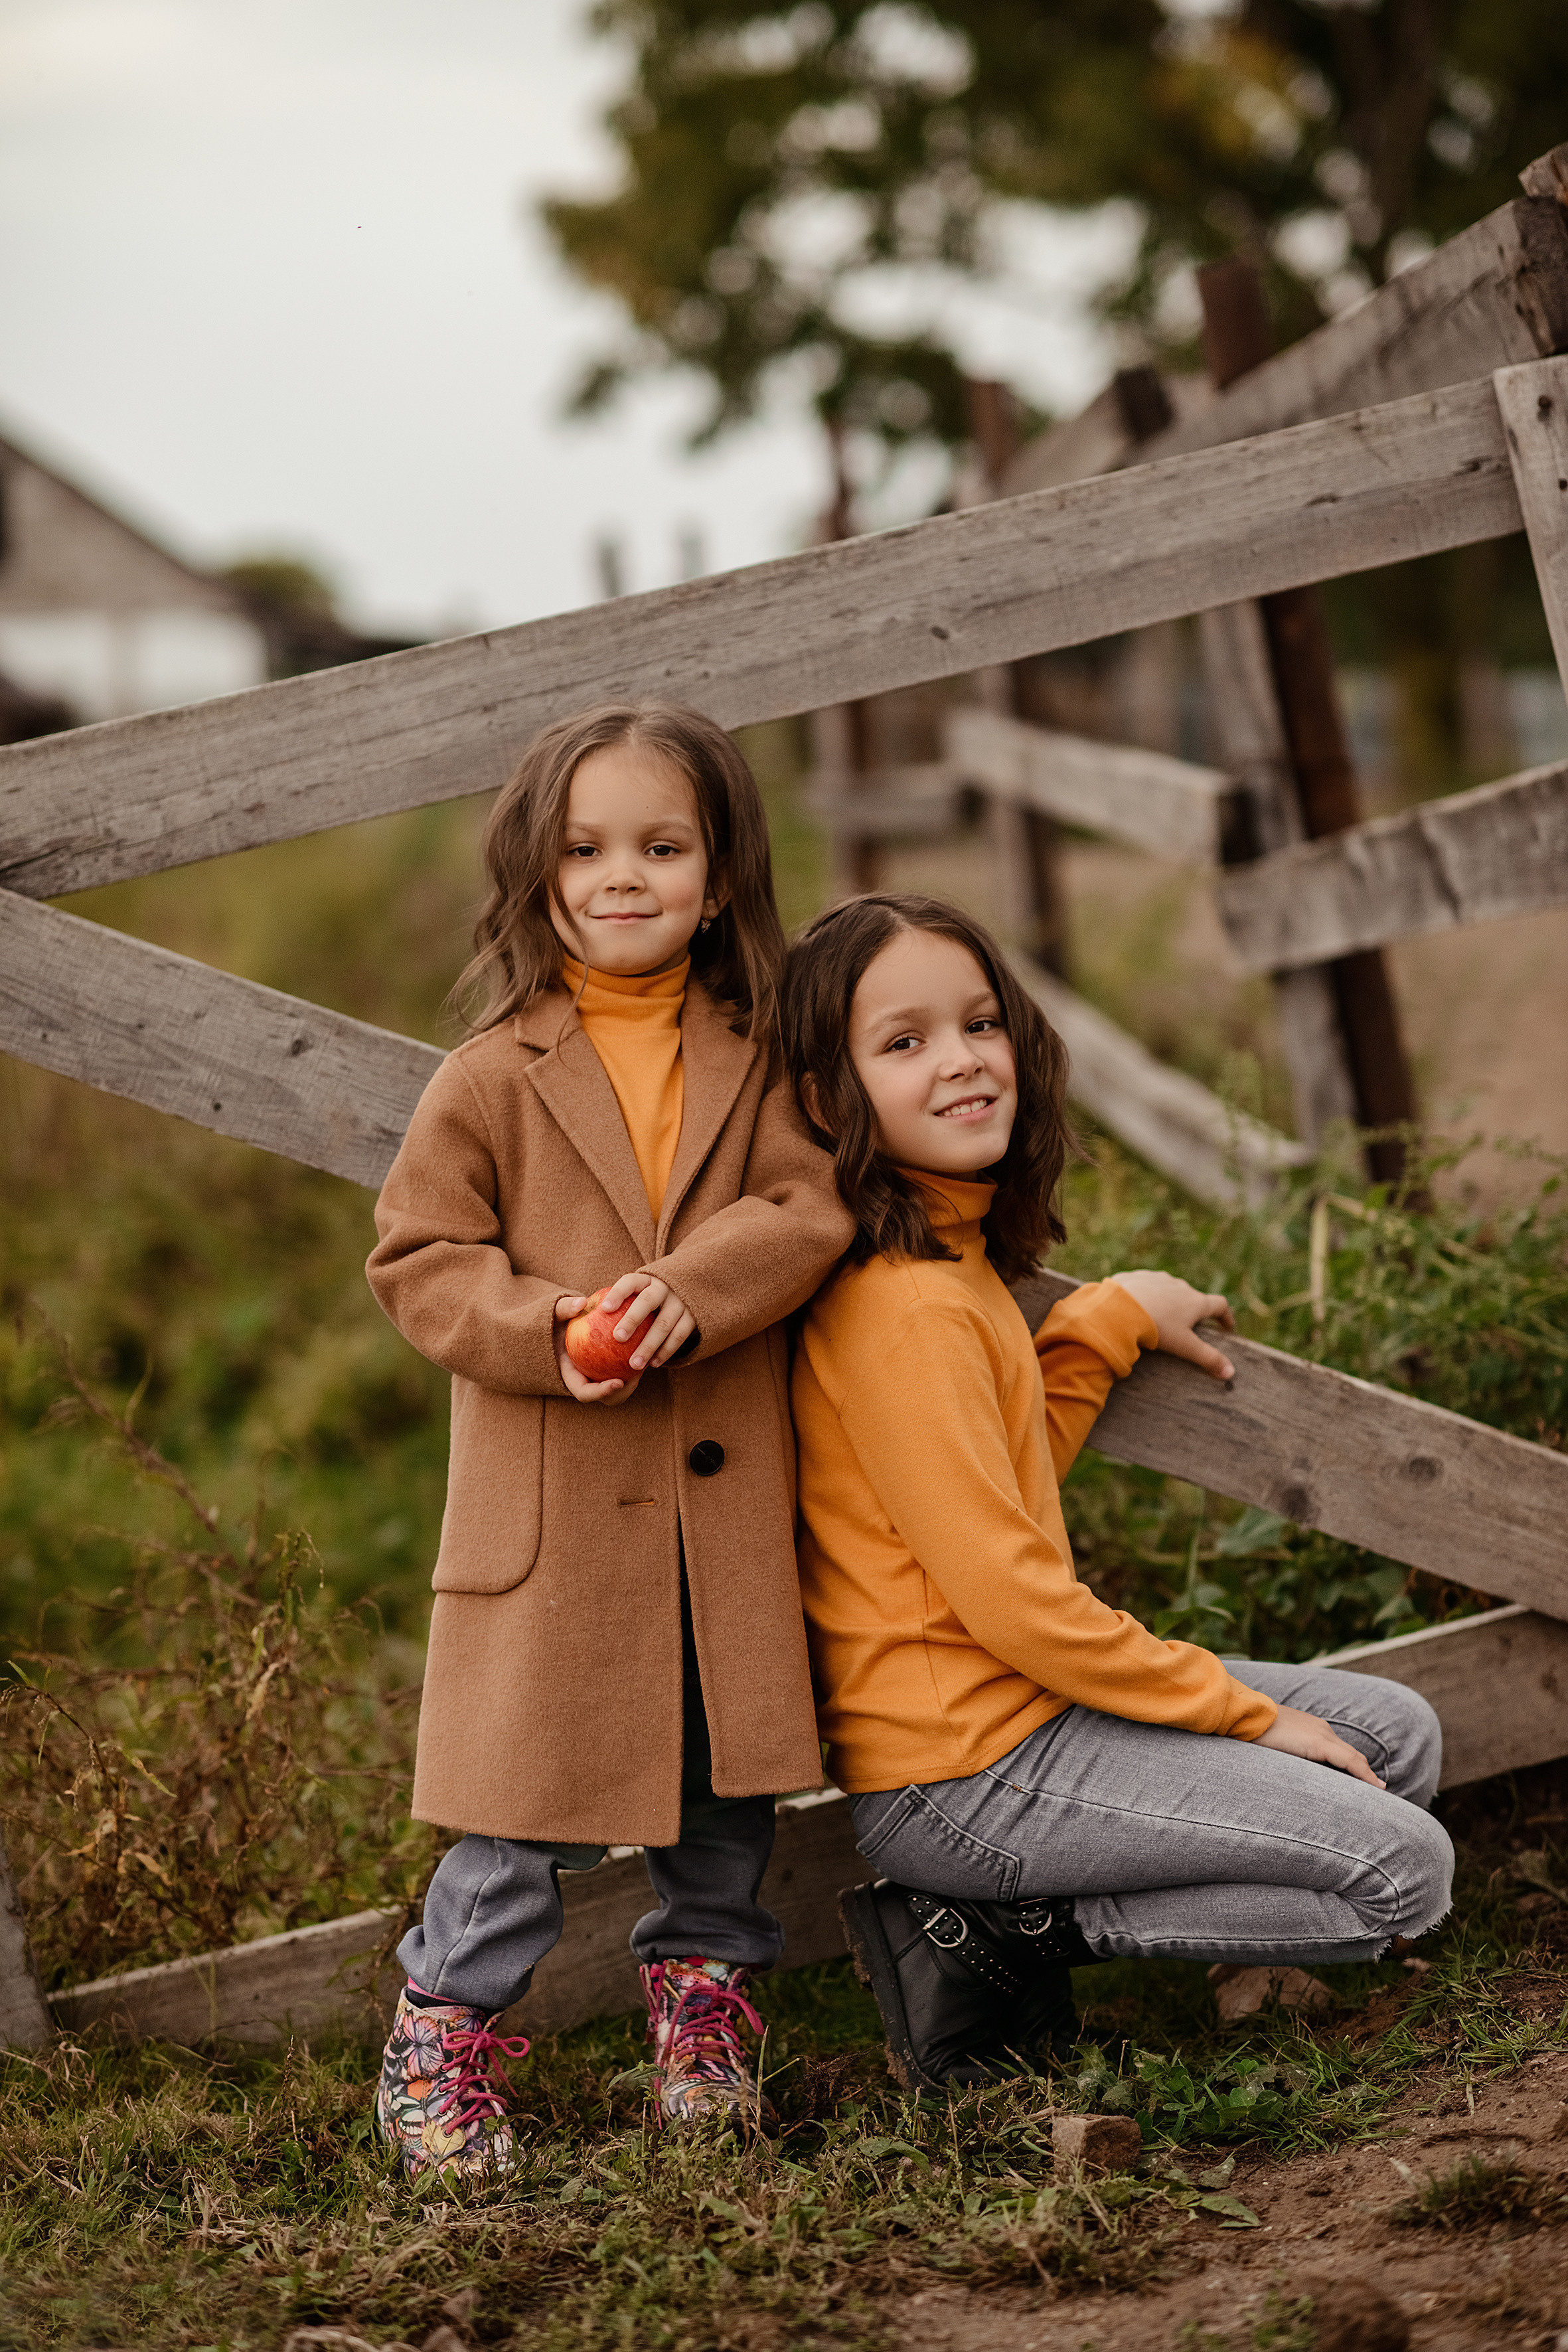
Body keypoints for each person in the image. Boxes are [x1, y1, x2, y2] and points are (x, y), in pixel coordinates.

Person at [779, 892, 1453, 2092]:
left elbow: (1002, 1470)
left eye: (978, 1022)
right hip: (960, 1773)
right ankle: (999, 1940)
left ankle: (1176, 1937)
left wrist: (1102, 1321)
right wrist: (1247, 1717)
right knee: (1403, 1872)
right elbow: (1015, 1600)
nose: (962, 1061)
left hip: (1025, 1714)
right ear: (830, 1101)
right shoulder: (905, 1307)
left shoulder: (951, 1260)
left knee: (1392, 1736)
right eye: (903, 1042)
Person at [365, 705, 854, 2179]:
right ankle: (440, 2037)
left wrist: (683, 1296)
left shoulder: (765, 1055)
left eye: (660, 844)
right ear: (539, 871)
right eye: (585, 848)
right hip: (560, 1516)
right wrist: (549, 1324)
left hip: (719, 1517)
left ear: (719, 874)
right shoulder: (490, 1076)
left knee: (721, 1797)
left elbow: (808, 1208)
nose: (621, 875)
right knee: (518, 1813)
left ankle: (703, 2027)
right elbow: (420, 1258)